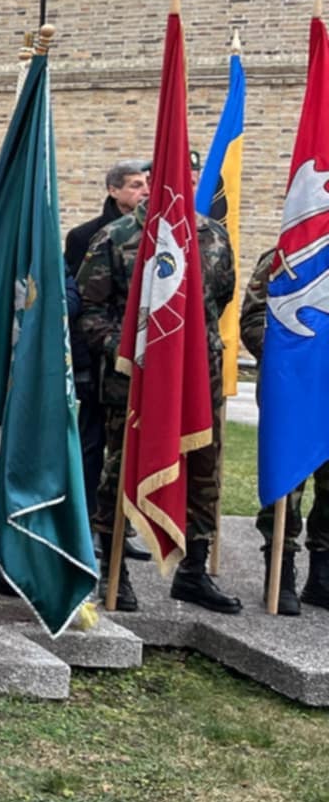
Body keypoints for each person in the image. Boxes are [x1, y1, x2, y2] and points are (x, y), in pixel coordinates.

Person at [74, 170, 237, 613]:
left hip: (198, 379)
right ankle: (113, 573)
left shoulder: (213, 236)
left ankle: (193, 573)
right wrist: (132, 352)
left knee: (204, 473)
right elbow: (89, 309)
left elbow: (218, 299)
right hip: (133, 383)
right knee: (121, 471)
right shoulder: (116, 237)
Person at [66, 159, 153, 567]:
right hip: (101, 363)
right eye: (135, 185)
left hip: (144, 365)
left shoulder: (159, 236)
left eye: (145, 184)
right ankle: (85, 528)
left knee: (129, 451)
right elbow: (83, 303)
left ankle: (119, 529)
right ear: (114, 190)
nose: (143, 191)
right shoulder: (86, 236)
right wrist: (90, 362)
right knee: (93, 448)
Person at [241, 245, 329, 612]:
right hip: (292, 389)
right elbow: (252, 319)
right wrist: (297, 359)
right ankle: (281, 569)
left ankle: (322, 573)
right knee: (287, 486)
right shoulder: (285, 255)